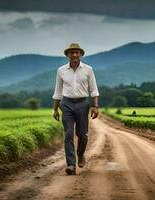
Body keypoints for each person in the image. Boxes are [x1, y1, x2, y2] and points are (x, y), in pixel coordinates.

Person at [52, 43, 99, 175]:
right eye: (71, 53)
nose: (74, 55)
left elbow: (94, 89)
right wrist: (55, 109)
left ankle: (81, 153)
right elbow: (58, 91)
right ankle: (71, 165)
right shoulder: (61, 71)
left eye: (76, 52)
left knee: (82, 134)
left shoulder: (88, 69)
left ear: (80, 54)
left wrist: (95, 106)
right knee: (68, 134)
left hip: (82, 104)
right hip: (66, 104)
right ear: (67, 55)